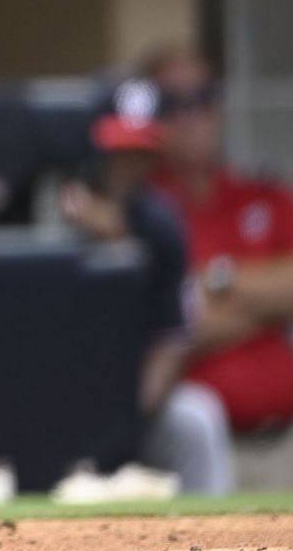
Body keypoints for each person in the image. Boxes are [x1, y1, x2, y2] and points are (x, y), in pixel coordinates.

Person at [64, 78, 234, 494]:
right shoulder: (47, 197)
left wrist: (124, 426)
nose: (129, 165)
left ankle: (217, 549)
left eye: (140, 152)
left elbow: (171, 340)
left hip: (129, 396)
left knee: (197, 417)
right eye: (119, 151)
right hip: (48, 389)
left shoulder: (160, 224)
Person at [144, 49, 293, 487]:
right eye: (172, 102)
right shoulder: (145, 208)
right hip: (197, 444)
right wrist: (266, 306)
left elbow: (195, 309)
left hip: (284, 436)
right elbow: (177, 324)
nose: (191, 115)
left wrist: (215, 279)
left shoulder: (260, 195)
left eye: (202, 98)